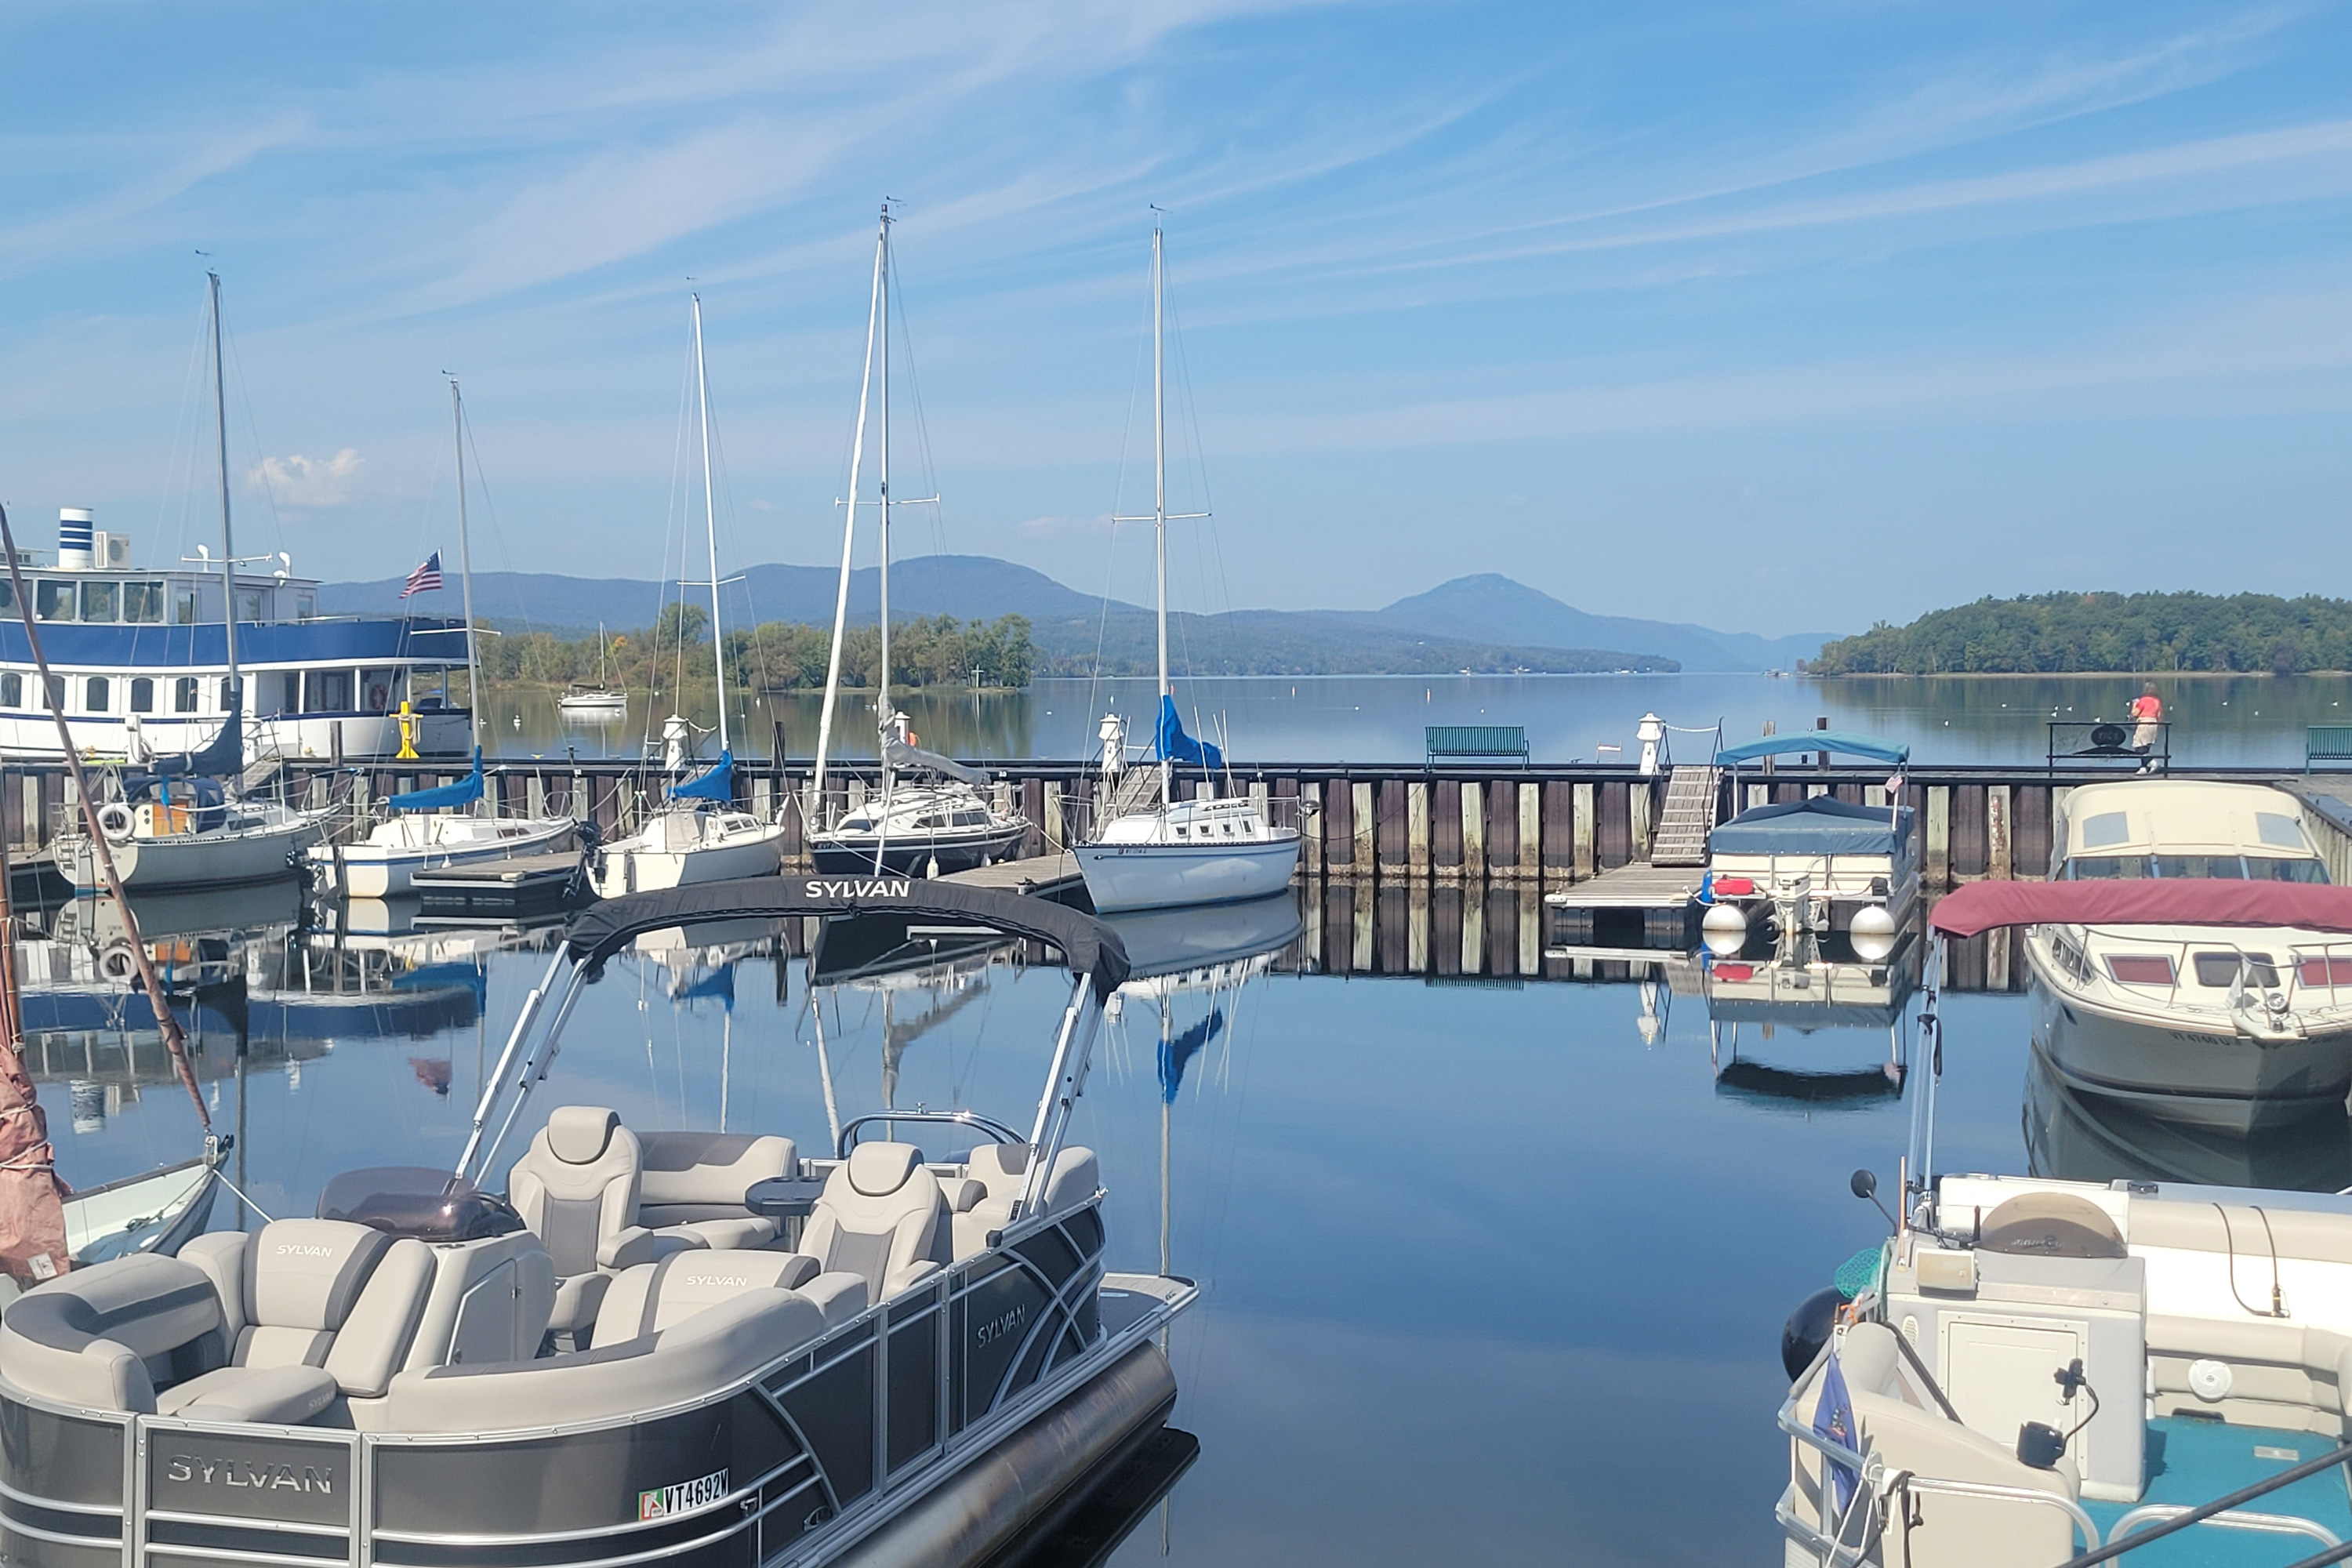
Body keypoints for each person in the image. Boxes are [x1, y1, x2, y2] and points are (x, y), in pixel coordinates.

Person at [2130, 684, 2163, 773]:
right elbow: (2159, 714)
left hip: (2144, 723)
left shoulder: (2143, 700)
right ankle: (2143, 768)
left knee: (2138, 746)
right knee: (2146, 747)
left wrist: (2134, 704)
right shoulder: (2157, 701)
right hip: (2154, 723)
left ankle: (2152, 762)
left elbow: (2135, 713)